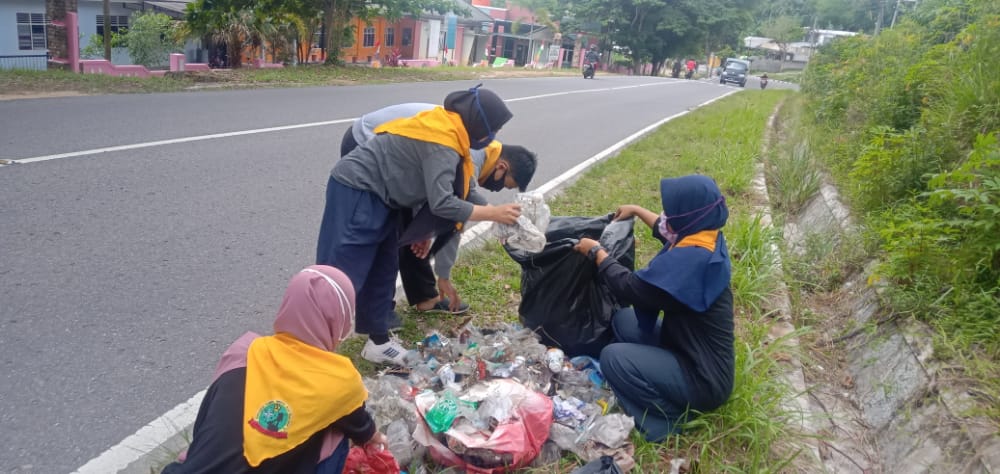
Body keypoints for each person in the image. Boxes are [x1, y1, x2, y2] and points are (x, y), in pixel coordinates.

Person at [317, 85, 521, 366]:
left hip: (385, 197)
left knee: (382, 268)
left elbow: (463, 191)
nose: (492, 137)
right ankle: (314, 352)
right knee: (342, 274)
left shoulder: (456, 138)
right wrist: (493, 213)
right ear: (477, 121)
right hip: (358, 189)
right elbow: (443, 203)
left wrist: (501, 215)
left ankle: (378, 343)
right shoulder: (443, 140)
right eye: (492, 129)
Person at [161, 265, 388, 474]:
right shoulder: (337, 380)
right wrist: (373, 437)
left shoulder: (244, 351)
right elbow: (361, 427)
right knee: (336, 428)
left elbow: (206, 419)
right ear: (338, 320)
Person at [573, 175, 735, 442]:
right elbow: (668, 232)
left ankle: (667, 419)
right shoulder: (706, 236)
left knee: (614, 357)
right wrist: (636, 209)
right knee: (624, 319)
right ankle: (651, 376)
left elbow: (629, 287)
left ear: (689, 217)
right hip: (686, 344)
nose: (666, 218)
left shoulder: (693, 262)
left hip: (702, 377)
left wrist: (597, 253)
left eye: (672, 213)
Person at [340, 103, 538, 317]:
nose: (497, 189)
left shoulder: (483, 148)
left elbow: (464, 197)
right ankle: (378, 312)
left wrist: (495, 214)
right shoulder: (470, 151)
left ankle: (423, 297)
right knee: (390, 230)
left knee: (412, 230)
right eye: (504, 185)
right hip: (365, 138)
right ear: (501, 167)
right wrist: (443, 274)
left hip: (395, 147)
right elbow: (453, 210)